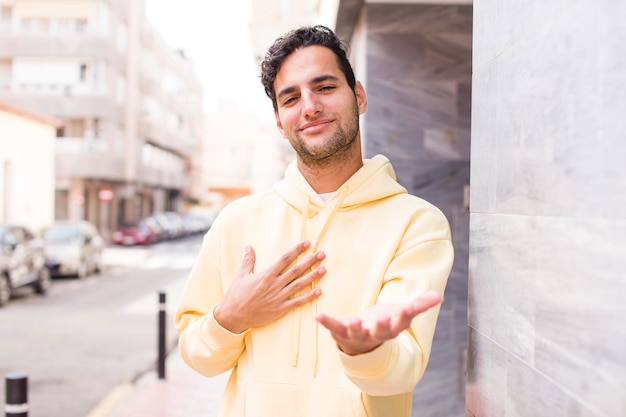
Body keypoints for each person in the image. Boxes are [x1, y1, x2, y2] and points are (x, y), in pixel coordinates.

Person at [174, 25, 454, 417]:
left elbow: (402, 371)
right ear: (279, 120)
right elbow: (198, 357)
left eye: (324, 88)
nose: (309, 107)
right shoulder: (237, 221)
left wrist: (365, 350)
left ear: (358, 96)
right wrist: (231, 318)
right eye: (291, 98)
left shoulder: (417, 223)